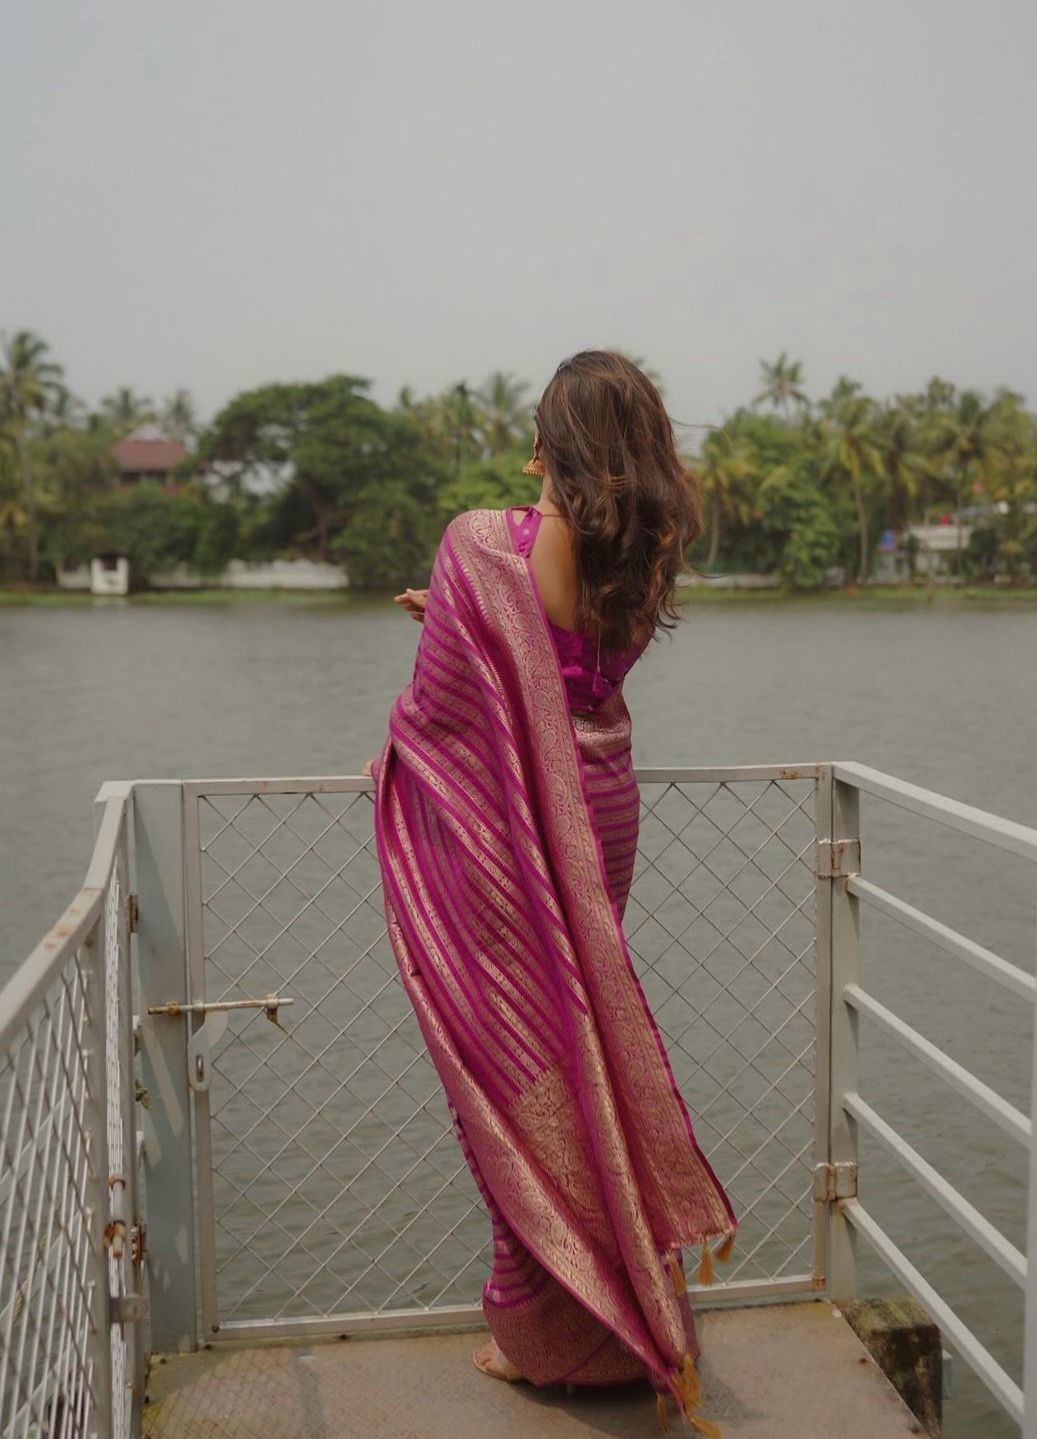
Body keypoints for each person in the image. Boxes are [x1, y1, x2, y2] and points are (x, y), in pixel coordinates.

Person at [366, 351, 738, 1435]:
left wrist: (461, 612)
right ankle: (605, 1297)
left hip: (513, 832)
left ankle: (546, 1333)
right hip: (601, 805)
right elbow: (562, 651)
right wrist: (457, 614)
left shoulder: (492, 541)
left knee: (510, 1065)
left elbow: (440, 708)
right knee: (568, 1052)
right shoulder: (651, 538)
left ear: (555, 439)